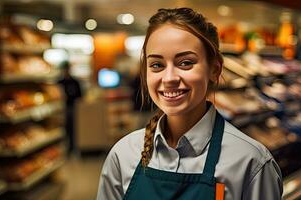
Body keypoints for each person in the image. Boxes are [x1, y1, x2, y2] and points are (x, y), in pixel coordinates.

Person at [97, 8, 283, 200]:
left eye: (185, 63)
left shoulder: (251, 163)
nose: (169, 78)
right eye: (157, 65)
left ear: (215, 69)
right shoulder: (123, 155)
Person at [58, 61, 82, 155]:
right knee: (64, 129)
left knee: (72, 129)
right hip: (62, 109)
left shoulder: (75, 82)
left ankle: (71, 148)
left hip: (72, 108)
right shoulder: (60, 82)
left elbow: (80, 96)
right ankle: (64, 148)